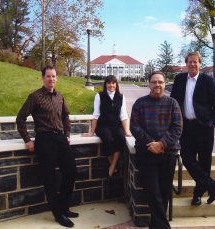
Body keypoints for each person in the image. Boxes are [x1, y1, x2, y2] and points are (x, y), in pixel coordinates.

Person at [16, 66, 77, 228]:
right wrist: (28, 140)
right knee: (49, 178)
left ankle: (63, 207)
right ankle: (58, 214)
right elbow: (20, 118)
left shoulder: (60, 97)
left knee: (71, 171)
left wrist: (68, 134)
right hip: (44, 140)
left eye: (54, 76)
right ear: (42, 78)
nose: (51, 79)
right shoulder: (35, 97)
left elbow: (65, 116)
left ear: (57, 78)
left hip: (60, 138)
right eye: (48, 76)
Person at [130, 71, 182, 229]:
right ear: (149, 83)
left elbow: (177, 127)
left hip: (168, 153)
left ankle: (156, 225)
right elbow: (134, 126)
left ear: (165, 84)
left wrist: (161, 144)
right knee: (152, 193)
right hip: (146, 154)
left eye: (160, 82)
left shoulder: (172, 103)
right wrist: (151, 142)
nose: (157, 85)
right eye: (154, 82)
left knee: (164, 193)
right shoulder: (140, 103)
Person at [170, 51, 215, 206]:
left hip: (204, 127)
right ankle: (211, 185)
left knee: (205, 161)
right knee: (187, 158)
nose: (192, 64)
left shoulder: (208, 80)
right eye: (190, 62)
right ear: (186, 64)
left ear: (200, 63)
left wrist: (213, 122)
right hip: (186, 127)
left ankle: (197, 195)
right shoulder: (179, 79)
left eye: (195, 62)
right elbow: (173, 101)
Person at [83, 75, 131, 177]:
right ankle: (113, 165)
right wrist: (92, 131)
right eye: (108, 83)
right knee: (108, 139)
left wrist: (127, 131)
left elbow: (123, 115)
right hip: (103, 126)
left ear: (116, 84)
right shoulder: (99, 95)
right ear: (105, 84)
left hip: (116, 125)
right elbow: (96, 114)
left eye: (113, 83)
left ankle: (112, 166)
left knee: (121, 139)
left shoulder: (121, 97)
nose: (111, 85)